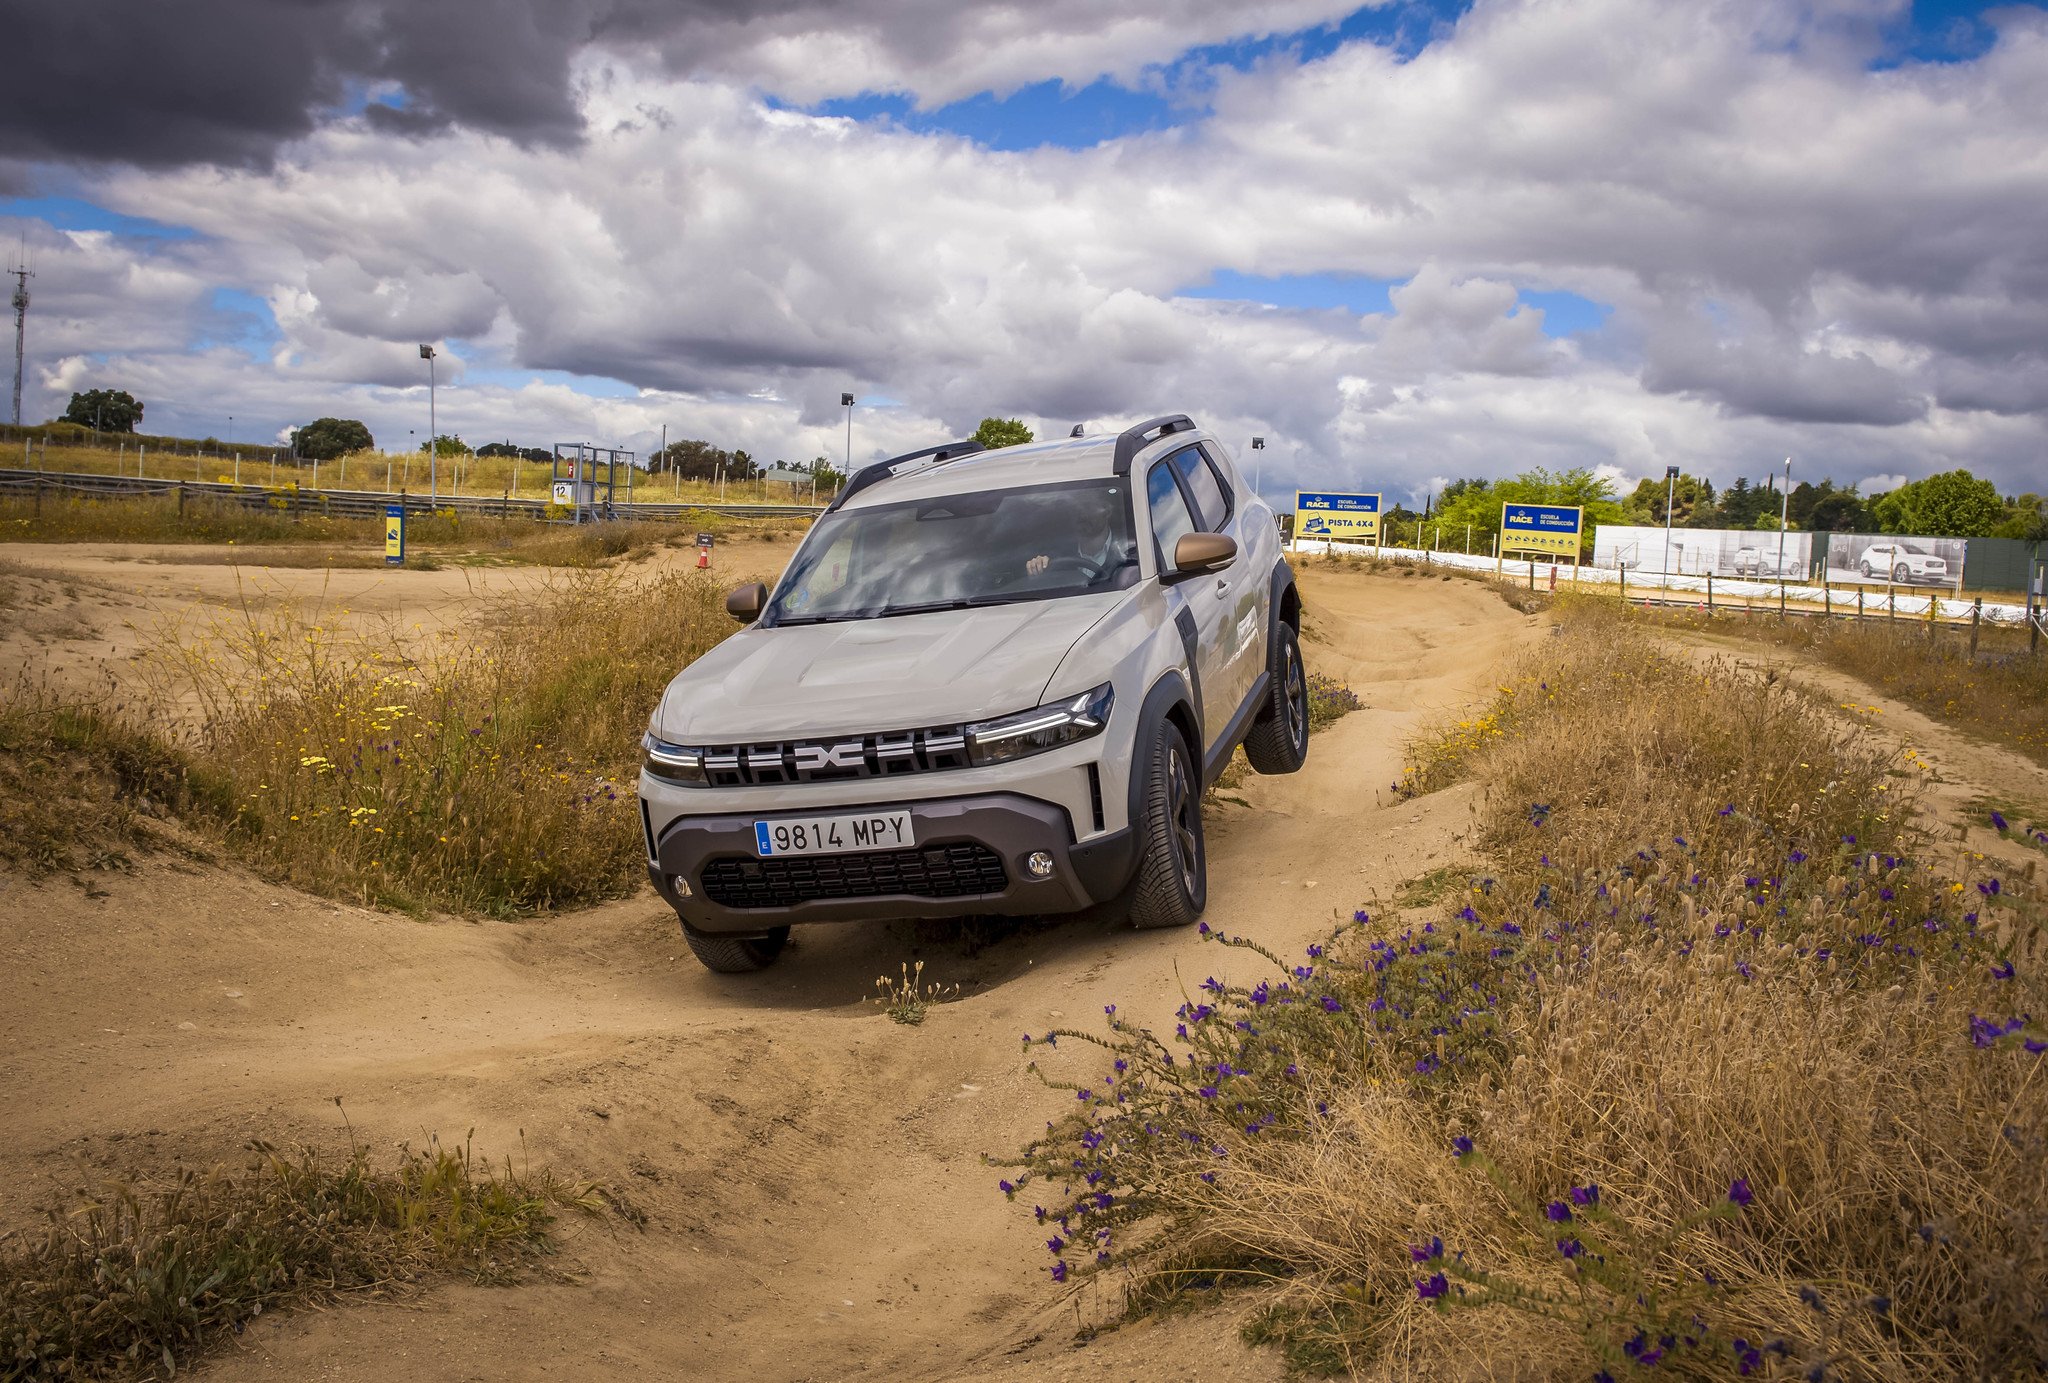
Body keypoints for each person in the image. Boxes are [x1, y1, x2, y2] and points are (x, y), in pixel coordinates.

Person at [1025, 502, 1121, 578]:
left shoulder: (1129, 551)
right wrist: (1037, 568)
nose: (1082, 515)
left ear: (1107, 512)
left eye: (1088, 506)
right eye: (1075, 508)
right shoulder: (1055, 556)